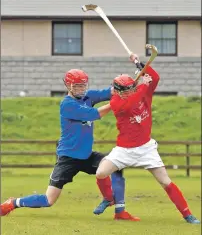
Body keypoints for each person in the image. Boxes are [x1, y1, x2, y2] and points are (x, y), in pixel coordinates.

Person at [0, 69, 126, 219]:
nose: (81, 89)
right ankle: (13, 202)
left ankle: (109, 199)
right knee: (48, 200)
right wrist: (116, 103)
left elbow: (110, 91)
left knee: (110, 166)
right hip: (68, 157)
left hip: (87, 155)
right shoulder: (67, 104)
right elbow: (94, 114)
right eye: (77, 86)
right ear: (68, 85)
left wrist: (126, 85)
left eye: (83, 85)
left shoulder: (88, 96)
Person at [96, 55, 200, 224]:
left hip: (146, 148)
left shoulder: (142, 94)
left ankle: (188, 215)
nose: (129, 91)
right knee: (101, 173)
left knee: (166, 182)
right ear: (117, 91)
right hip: (124, 150)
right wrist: (142, 85)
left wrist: (140, 65)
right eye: (126, 90)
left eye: (131, 88)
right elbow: (131, 103)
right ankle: (108, 198)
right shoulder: (116, 102)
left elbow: (155, 78)